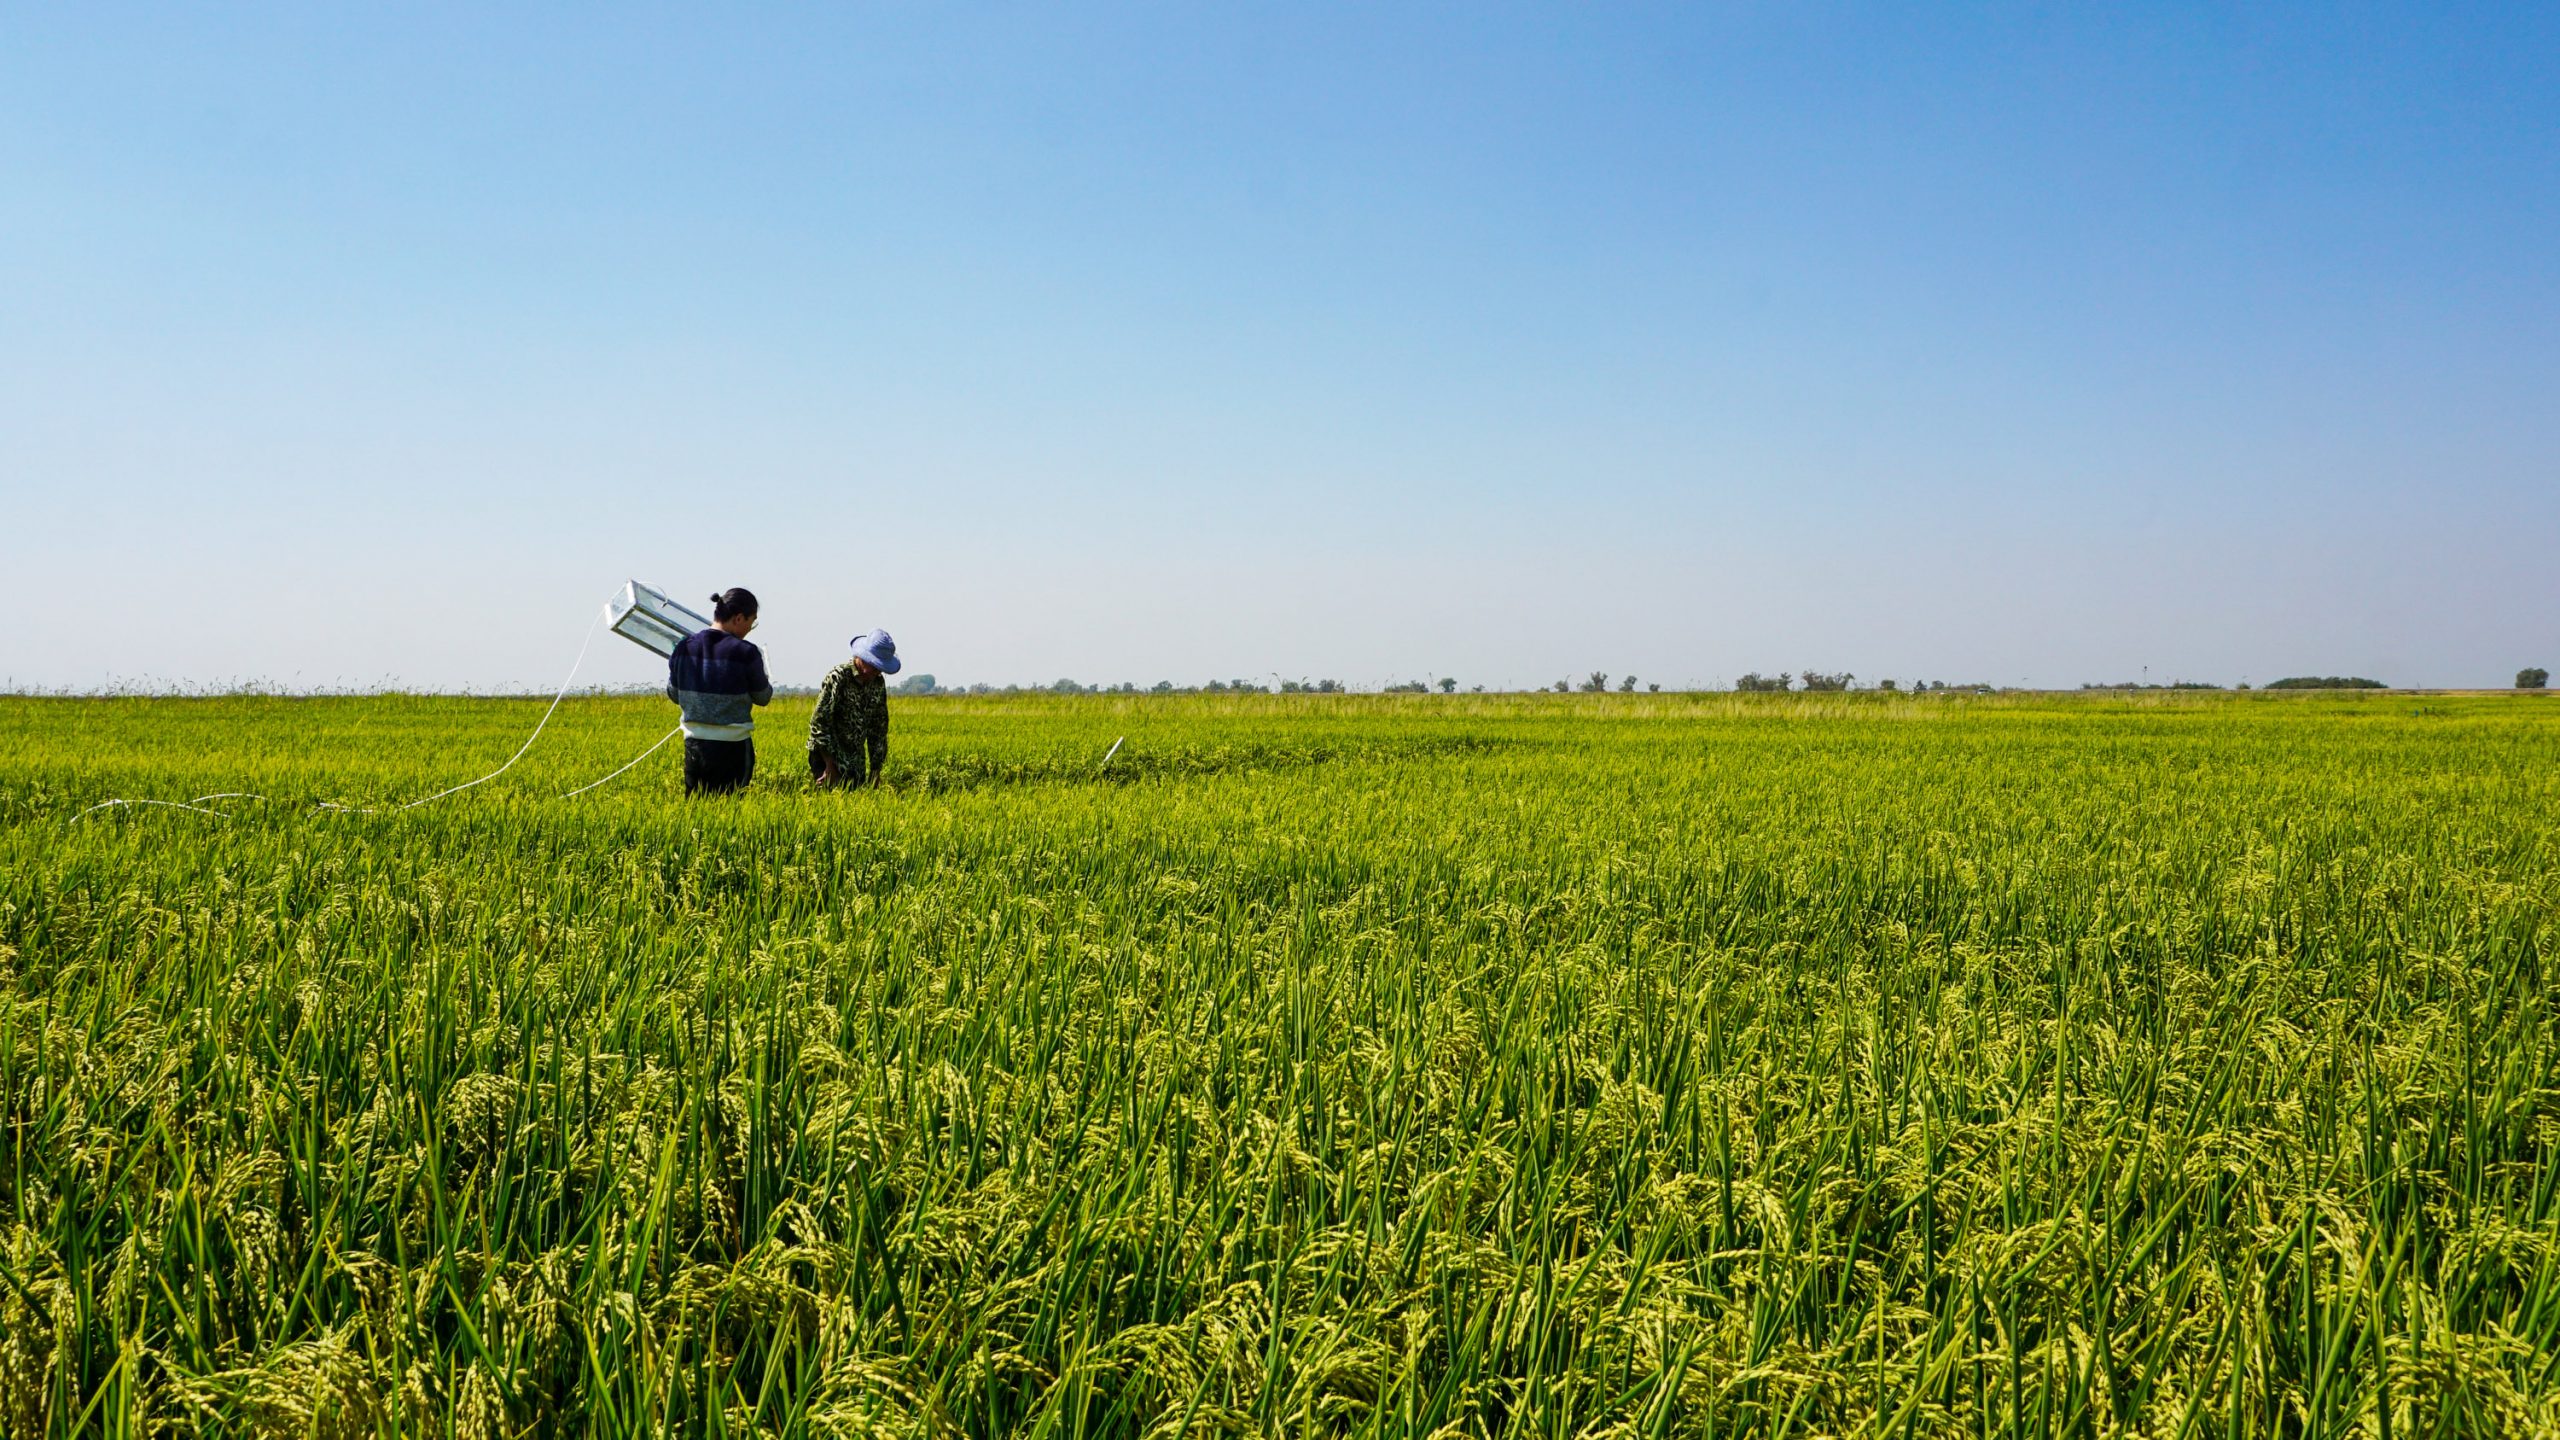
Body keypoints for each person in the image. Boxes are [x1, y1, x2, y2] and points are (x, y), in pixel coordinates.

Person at [668, 588, 773, 794]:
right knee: (731, 812)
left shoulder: (683, 647)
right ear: (739, 618)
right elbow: (763, 697)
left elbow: (673, 694)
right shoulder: (746, 652)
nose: (749, 630)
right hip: (733, 747)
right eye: (751, 624)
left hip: (694, 746)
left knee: (697, 811)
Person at [809, 629, 898, 787]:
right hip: (828, 756)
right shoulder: (838, 677)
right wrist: (830, 765)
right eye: (874, 665)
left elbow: (878, 728)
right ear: (863, 658)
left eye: (880, 668)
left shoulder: (877, 683)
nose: (877, 671)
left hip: (856, 760)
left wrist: (876, 771)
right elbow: (819, 723)